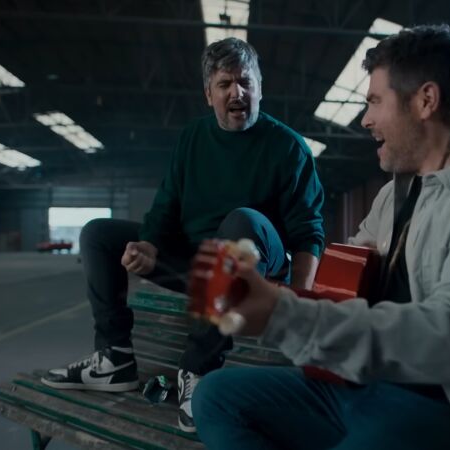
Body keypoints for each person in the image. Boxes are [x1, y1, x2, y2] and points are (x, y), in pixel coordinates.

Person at [191, 24, 450, 450]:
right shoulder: (394, 196)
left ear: (425, 101)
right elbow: (341, 285)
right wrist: (271, 293)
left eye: (375, 101)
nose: (366, 119)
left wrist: (284, 315)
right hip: (370, 388)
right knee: (214, 398)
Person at [41, 37, 325, 433]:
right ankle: (114, 358)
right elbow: (166, 205)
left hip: (256, 272)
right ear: (209, 94)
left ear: (260, 87)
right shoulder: (193, 137)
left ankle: (199, 370)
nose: (237, 93)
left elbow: (308, 230)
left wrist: (300, 299)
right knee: (98, 233)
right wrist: (148, 245)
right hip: (196, 263)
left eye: (246, 82)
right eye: (225, 84)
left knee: (240, 221)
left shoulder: (288, 147)